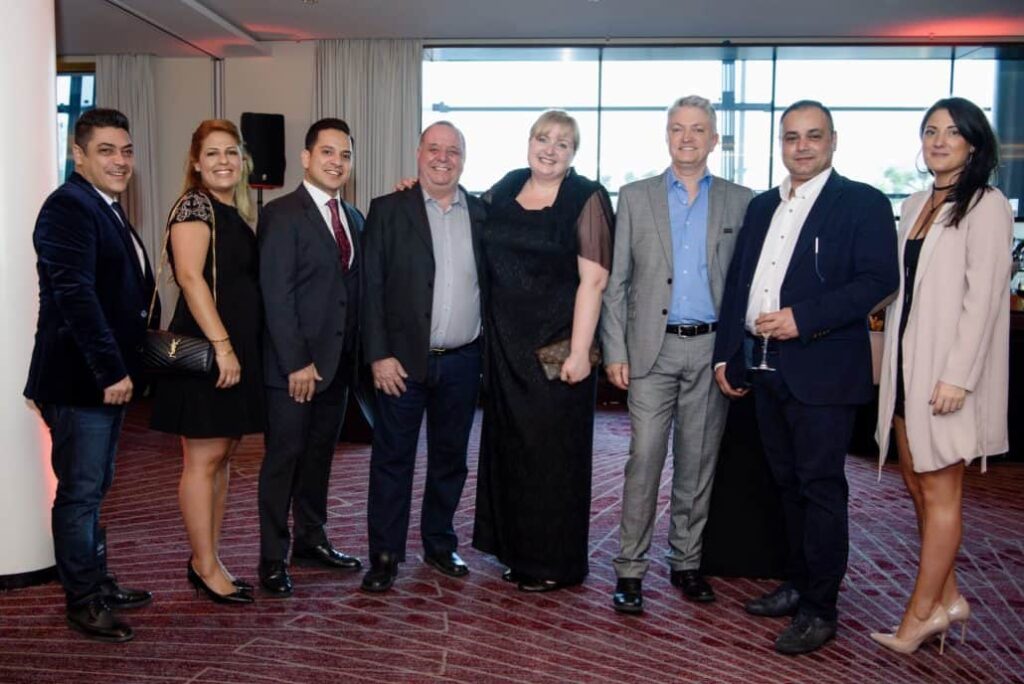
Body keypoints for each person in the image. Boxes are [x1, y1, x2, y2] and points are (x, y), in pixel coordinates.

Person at [712, 100, 899, 655]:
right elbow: (740, 283)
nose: (802, 146)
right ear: (781, 143)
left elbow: (879, 280)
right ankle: (797, 582)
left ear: (833, 140)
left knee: (821, 490)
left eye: (813, 136)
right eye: (791, 137)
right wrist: (726, 356)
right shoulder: (762, 205)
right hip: (764, 368)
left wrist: (804, 318)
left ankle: (821, 608)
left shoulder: (862, 202)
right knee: (786, 485)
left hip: (822, 372)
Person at [601, 96, 754, 614]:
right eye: (677, 129)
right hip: (651, 350)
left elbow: (745, 284)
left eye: (697, 129)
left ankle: (686, 561)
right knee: (644, 458)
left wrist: (736, 354)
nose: (686, 138)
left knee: (697, 461)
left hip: (711, 351)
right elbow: (617, 283)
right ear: (666, 136)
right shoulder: (635, 196)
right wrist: (615, 349)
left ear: (714, 139)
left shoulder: (741, 201)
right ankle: (630, 569)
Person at [869, 98, 1012, 655]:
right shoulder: (914, 203)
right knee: (915, 484)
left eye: (952, 132)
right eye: (930, 131)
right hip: (908, 365)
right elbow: (898, 285)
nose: (939, 141)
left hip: (948, 373)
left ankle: (921, 613)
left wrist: (958, 376)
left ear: (973, 143)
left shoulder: (986, 205)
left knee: (941, 489)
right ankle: (948, 599)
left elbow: (984, 299)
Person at [24, 108, 157, 642]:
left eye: (126, 151)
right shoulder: (68, 206)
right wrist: (110, 370)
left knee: (95, 487)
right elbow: (75, 297)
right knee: (79, 494)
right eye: (106, 150)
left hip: (103, 383)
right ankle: (82, 600)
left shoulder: (105, 206)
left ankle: (97, 581)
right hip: (81, 381)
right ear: (78, 154)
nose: (120, 161)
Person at [473, 110, 614, 592]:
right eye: (542, 138)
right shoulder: (507, 185)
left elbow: (594, 281)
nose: (549, 149)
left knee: (554, 456)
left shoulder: (586, 196)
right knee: (512, 450)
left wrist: (579, 353)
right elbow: (465, 214)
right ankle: (517, 551)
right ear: (529, 142)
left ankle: (555, 561)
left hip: (560, 347)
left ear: (574, 154)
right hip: (506, 349)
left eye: (562, 143)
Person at [360, 121, 486, 592]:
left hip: (463, 361)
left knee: (450, 460)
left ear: (463, 159)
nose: (443, 158)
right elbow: (370, 288)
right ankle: (385, 554)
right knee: (392, 460)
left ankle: (439, 543)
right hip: (401, 363)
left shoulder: (483, 213)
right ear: (418, 153)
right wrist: (378, 355)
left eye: (453, 151)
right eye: (434, 148)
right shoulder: (388, 209)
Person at [150, 119, 264, 605]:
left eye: (231, 152)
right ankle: (203, 564)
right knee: (202, 460)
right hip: (207, 352)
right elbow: (190, 278)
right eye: (213, 153)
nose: (223, 161)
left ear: (243, 161)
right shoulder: (194, 205)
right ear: (196, 163)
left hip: (231, 351)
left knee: (221, 458)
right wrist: (222, 347)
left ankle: (209, 558)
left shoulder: (233, 211)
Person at [257, 118, 364, 597]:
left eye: (345, 154)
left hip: (337, 367)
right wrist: (296, 362)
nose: (337, 162)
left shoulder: (354, 217)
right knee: (284, 461)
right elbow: (276, 294)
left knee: (319, 458)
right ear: (306, 157)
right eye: (327, 152)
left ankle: (310, 541)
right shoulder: (282, 214)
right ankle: (271, 558)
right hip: (294, 369)